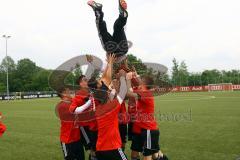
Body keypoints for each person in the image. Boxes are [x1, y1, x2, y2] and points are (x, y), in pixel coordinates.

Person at [88, 69, 128, 160]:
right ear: (106, 95)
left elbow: (110, 96)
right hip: (112, 147)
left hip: (100, 148)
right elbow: (124, 90)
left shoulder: (98, 109)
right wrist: (122, 77)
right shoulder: (112, 106)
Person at [127, 72, 168, 160]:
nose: (140, 80)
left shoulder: (146, 93)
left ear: (144, 83)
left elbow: (128, 93)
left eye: (142, 80)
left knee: (150, 156)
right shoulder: (141, 90)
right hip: (141, 129)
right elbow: (135, 83)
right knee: (141, 155)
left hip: (149, 130)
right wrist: (131, 72)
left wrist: (127, 78)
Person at [56, 87, 85, 160]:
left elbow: (80, 100)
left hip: (77, 139)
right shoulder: (62, 106)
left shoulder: (72, 102)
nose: (70, 92)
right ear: (63, 94)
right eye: (67, 91)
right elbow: (78, 109)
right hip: (67, 140)